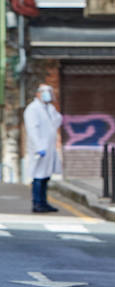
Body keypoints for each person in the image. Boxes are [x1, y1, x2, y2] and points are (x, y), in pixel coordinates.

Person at [24, 84, 62, 213]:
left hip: (49, 147)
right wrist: (39, 147)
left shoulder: (49, 108)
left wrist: (54, 103)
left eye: (49, 92)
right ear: (38, 94)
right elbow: (32, 129)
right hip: (39, 148)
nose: (47, 94)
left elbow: (58, 120)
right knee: (38, 176)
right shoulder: (32, 109)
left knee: (45, 176)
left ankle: (44, 202)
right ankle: (37, 203)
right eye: (45, 92)